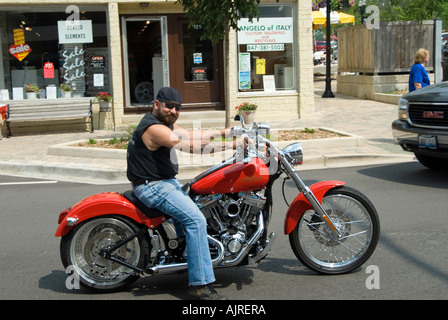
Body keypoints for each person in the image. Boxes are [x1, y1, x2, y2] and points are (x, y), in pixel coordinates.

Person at [127, 87, 239, 300]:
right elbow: (189, 146)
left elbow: (191, 134)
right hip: (154, 186)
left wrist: (225, 132)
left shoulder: (163, 123)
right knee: (196, 221)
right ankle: (201, 285)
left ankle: (187, 256)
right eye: (169, 106)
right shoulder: (154, 128)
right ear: (156, 104)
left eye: (177, 107)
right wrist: (234, 145)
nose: (173, 110)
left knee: (200, 199)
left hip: (163, 182)